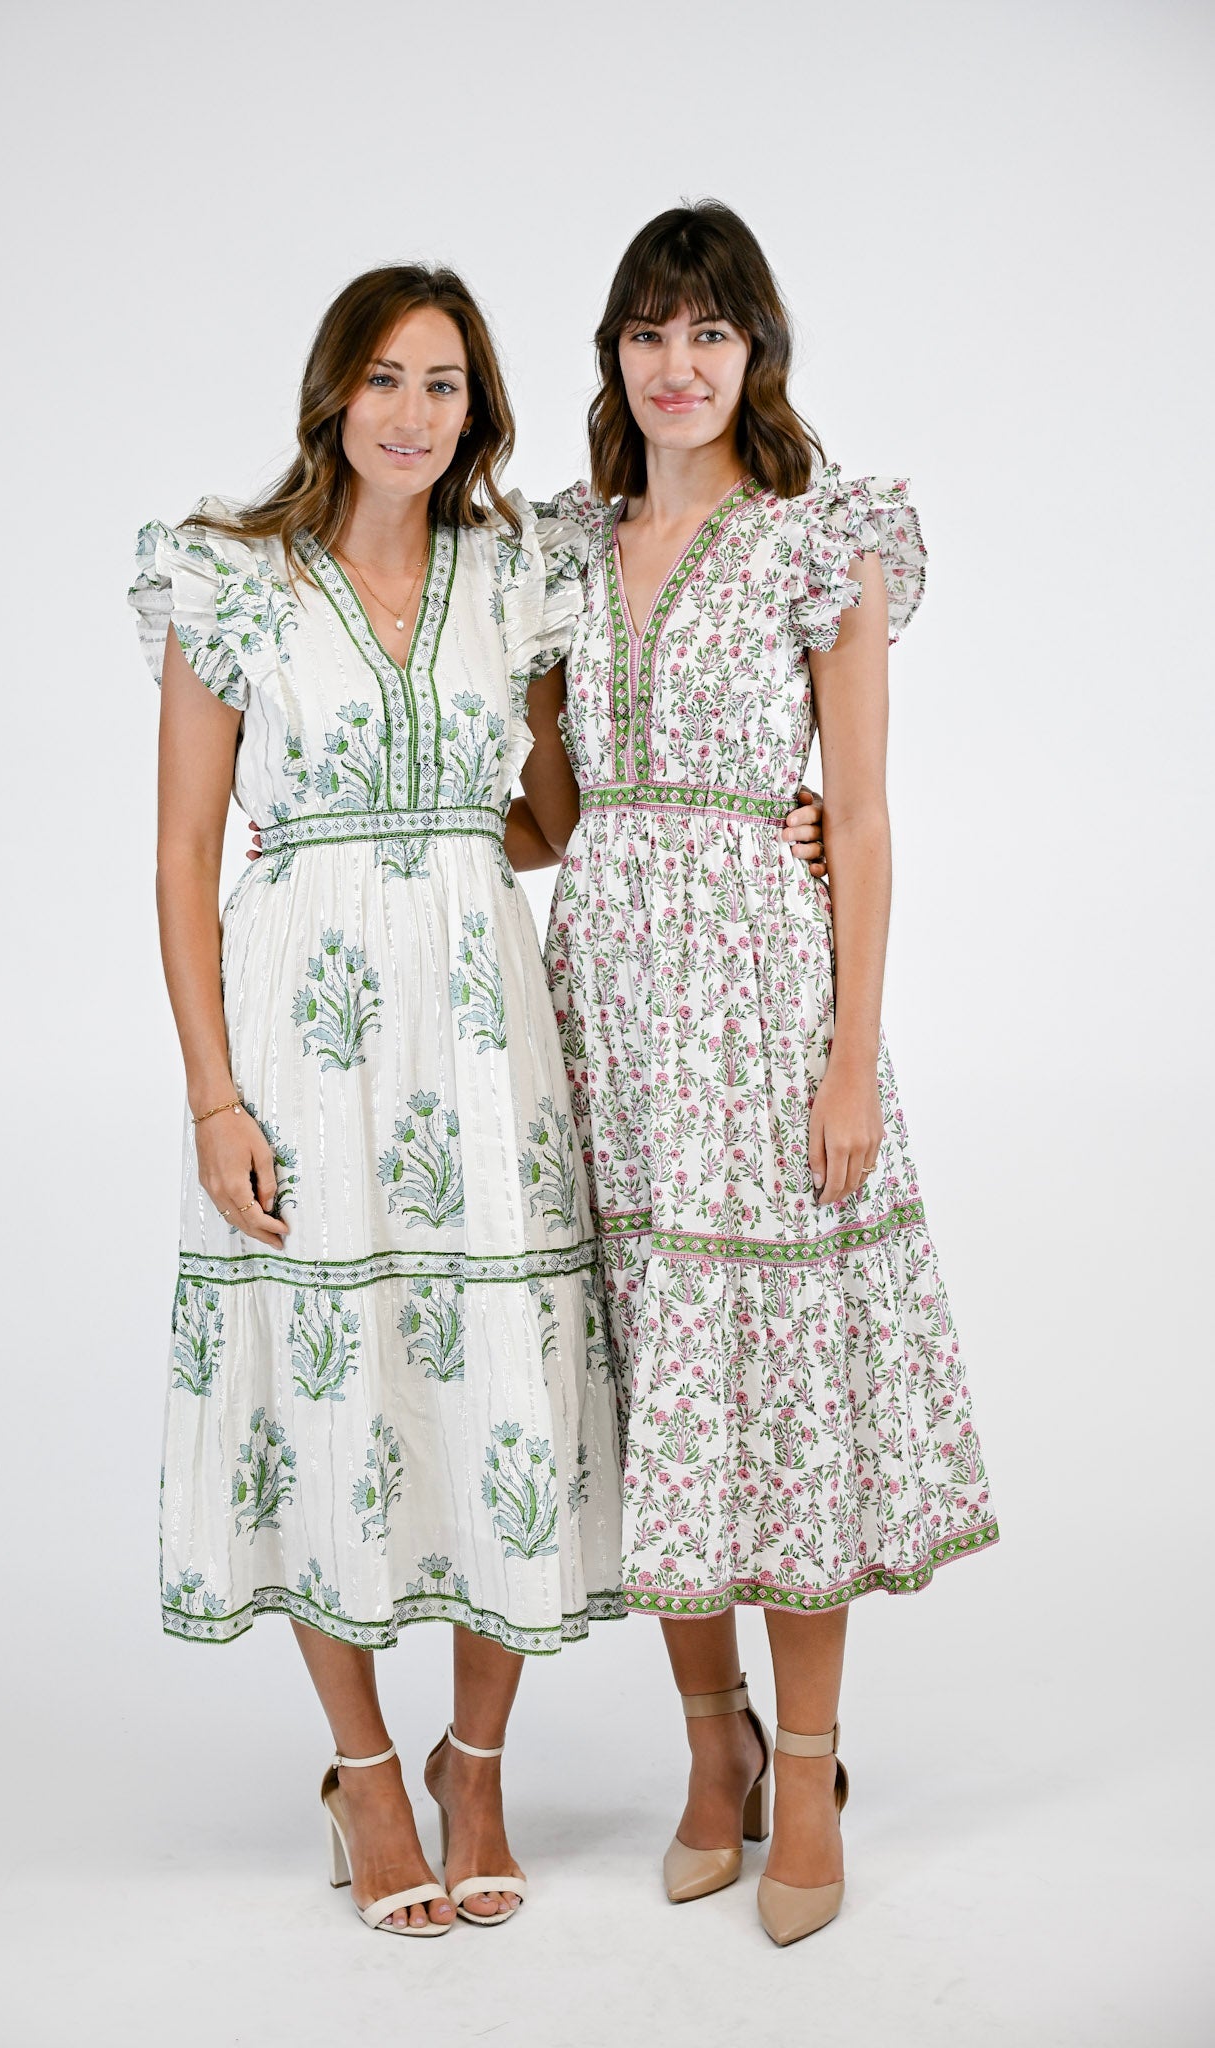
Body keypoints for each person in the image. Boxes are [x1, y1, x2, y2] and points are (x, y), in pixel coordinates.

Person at [518, 202, 998, 1946]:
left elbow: (855, 815)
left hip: (760, 1001)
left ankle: (804, 1767)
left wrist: (848, 1061)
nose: (678, 365)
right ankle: (704, 1746)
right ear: (613, 354)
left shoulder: (820, 537)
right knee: (656, 1375)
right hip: (606, 1000)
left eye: (709, 332)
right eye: (649, 332)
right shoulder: (563, 547)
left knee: (774, 1379)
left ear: (756, 352)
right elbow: (548, 817)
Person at [129, 265, 627, 1935]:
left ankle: (472, 1764)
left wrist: (774, 815)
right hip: (305, 1035)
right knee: (319, 1384)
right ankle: (360, 1772)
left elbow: (548, 819)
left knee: (501, 1383)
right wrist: (214, 1099)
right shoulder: (231, 578)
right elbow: (183, 856)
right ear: (333, 391)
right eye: (388, 378)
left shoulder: (513, 578)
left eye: (446, 383)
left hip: (483, 1033)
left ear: (477, 409)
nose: (415, 413)